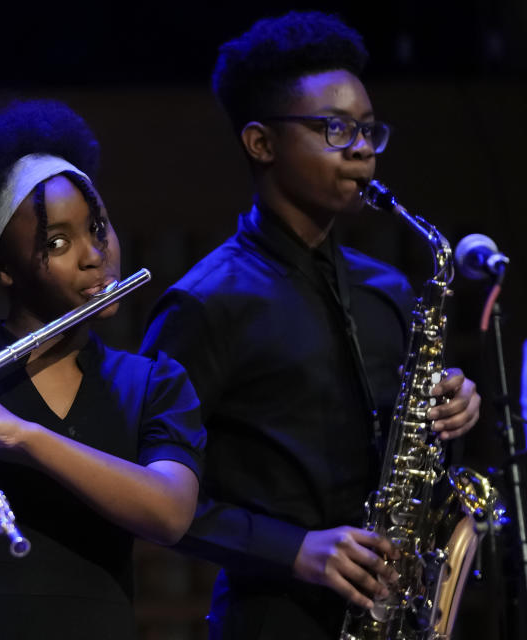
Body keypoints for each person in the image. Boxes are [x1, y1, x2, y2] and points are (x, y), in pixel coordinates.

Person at [140, 11, 482, 639]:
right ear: (260, 143)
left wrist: (453, 413)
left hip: (392, 612)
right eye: (334, 128)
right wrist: (294, 549)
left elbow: (417, 462)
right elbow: (147, 497)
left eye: (368, 130)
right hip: (272, 619)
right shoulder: (204, 304)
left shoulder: (389, 289)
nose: (359, 148)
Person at [0, 100, 205, 640]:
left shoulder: (152, 384)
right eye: (57, 242)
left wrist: (22, 435)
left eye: (98, 228)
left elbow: (170, 513)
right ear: (1, 267)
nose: (94, 256)